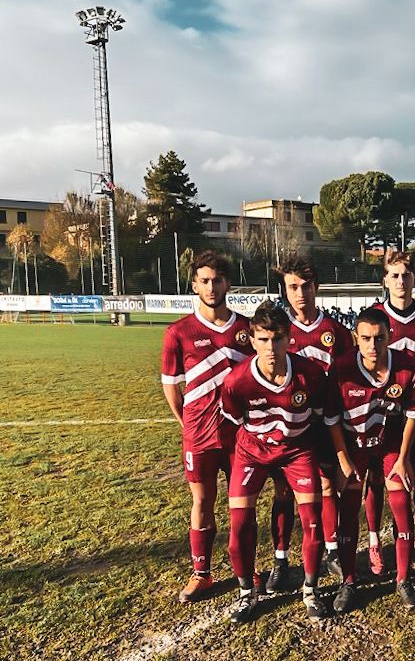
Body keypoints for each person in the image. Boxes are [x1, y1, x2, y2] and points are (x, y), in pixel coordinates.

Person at [220, 301, 329, 624]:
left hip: (298, 450)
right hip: (252, 452)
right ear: (252, 339)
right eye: (263, 339)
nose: (270, 347)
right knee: (239, 525)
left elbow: (322, 420)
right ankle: (246, 593)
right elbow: (234, 423)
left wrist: (325, 464)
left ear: (289, 337)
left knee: (312, 521)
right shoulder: (236, 381)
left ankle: (310, 589)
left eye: (277, 338)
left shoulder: (310, 374)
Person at [161, 251, 253, 603]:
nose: (211, 287)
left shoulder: (246, 329)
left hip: (241, 435)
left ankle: (246, 569)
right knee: (202, 501)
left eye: (217, 280)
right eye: (204, 280)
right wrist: (185, 421)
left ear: (228, 283)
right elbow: (171, 384)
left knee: (241, 504)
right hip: (199, 436)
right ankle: (202, 574)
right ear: (194, 284)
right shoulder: (178, 332)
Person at [324, 308, 415, 612]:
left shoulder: (408, 367)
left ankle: (404, 579)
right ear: (355, 337)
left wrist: (404, 457)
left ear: (390, 337)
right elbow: (331, 419)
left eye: (379, 338)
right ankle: (349, 581)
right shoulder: (341, 368)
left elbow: (412, 416)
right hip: (353, 446)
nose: (372, 345)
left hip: (389, 443)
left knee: (399, 503)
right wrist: (342, 459)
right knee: (349, 507)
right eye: (365, 338)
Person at [278, 257, 354, 586]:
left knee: (326, 487)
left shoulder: (335, 332)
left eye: (306, 286)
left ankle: (333, 549)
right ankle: (281, 558)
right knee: (283, 492)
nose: (300, 293)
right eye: (293, 287)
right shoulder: (278, 332)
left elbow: (347, 384)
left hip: (325, 425)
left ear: (317, 288)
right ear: (285, 289)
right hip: (288, 427)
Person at [373, 252, 415, 570]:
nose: (401, 281)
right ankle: (374, 541)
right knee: (377, 479)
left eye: (406, 275)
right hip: (382, 418)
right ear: (385, 280)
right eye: (394, 275)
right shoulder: (374, 316)